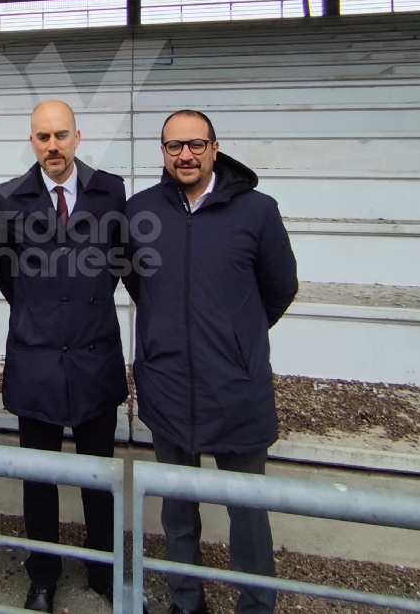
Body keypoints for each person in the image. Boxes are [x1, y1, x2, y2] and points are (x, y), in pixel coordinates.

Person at [124, 110, 298, 614]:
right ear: (162, 152)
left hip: (236, 389)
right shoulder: (140, 212)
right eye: (174, 146)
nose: (186, 155)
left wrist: (236, 338)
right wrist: (165, 337)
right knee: (177, 513)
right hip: (168, 386)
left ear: (215, 148)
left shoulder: (257, 210)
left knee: (247, 513)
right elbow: (140, 286)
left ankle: (256, 604)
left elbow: (279, 287)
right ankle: (186, 601)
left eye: (196, 144)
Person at [0, 100, 129, 612]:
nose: (53, 145)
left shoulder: (109, 190)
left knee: (99, 476)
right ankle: (42, 574)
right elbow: (8, 277)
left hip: (94, 355)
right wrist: (43, 314)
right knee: (40, 481)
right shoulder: (7, 198)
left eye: (61, 135)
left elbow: (117, 262)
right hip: (36, 359)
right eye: (43, 136)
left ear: (77, 137)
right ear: (32, 142)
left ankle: (103, 568)